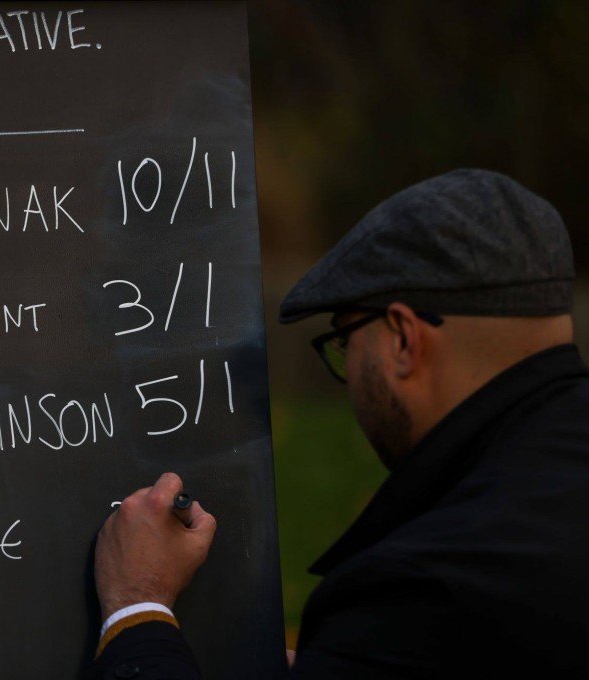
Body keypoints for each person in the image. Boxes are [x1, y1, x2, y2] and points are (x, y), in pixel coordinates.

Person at [89, 168, 589, 678]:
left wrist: (138, 606)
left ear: (402, 340)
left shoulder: (425, 589)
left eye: (346, 340)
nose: (347, 369)